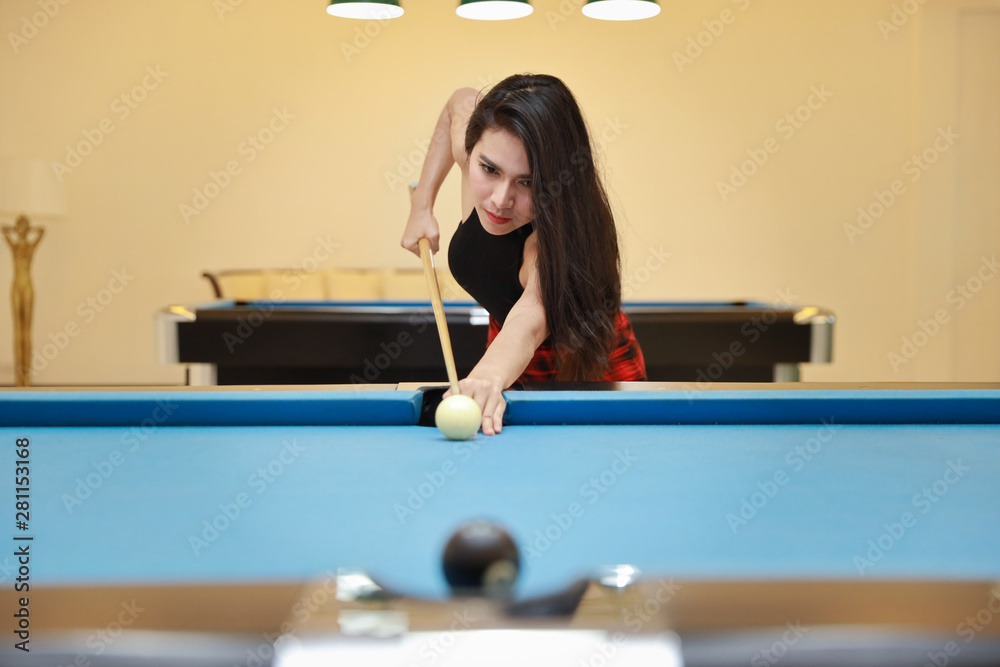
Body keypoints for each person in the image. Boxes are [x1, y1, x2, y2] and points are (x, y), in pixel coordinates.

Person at [401, 73, 645, 436]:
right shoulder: (476, 152)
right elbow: (460, 102)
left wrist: (485, 376)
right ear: (473, 151)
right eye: (490, 169)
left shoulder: (553, 245)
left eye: (528, 182)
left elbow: (528, 323)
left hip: (590, 371)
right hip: (510, 361)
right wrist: (422, 206)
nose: (500, 199)